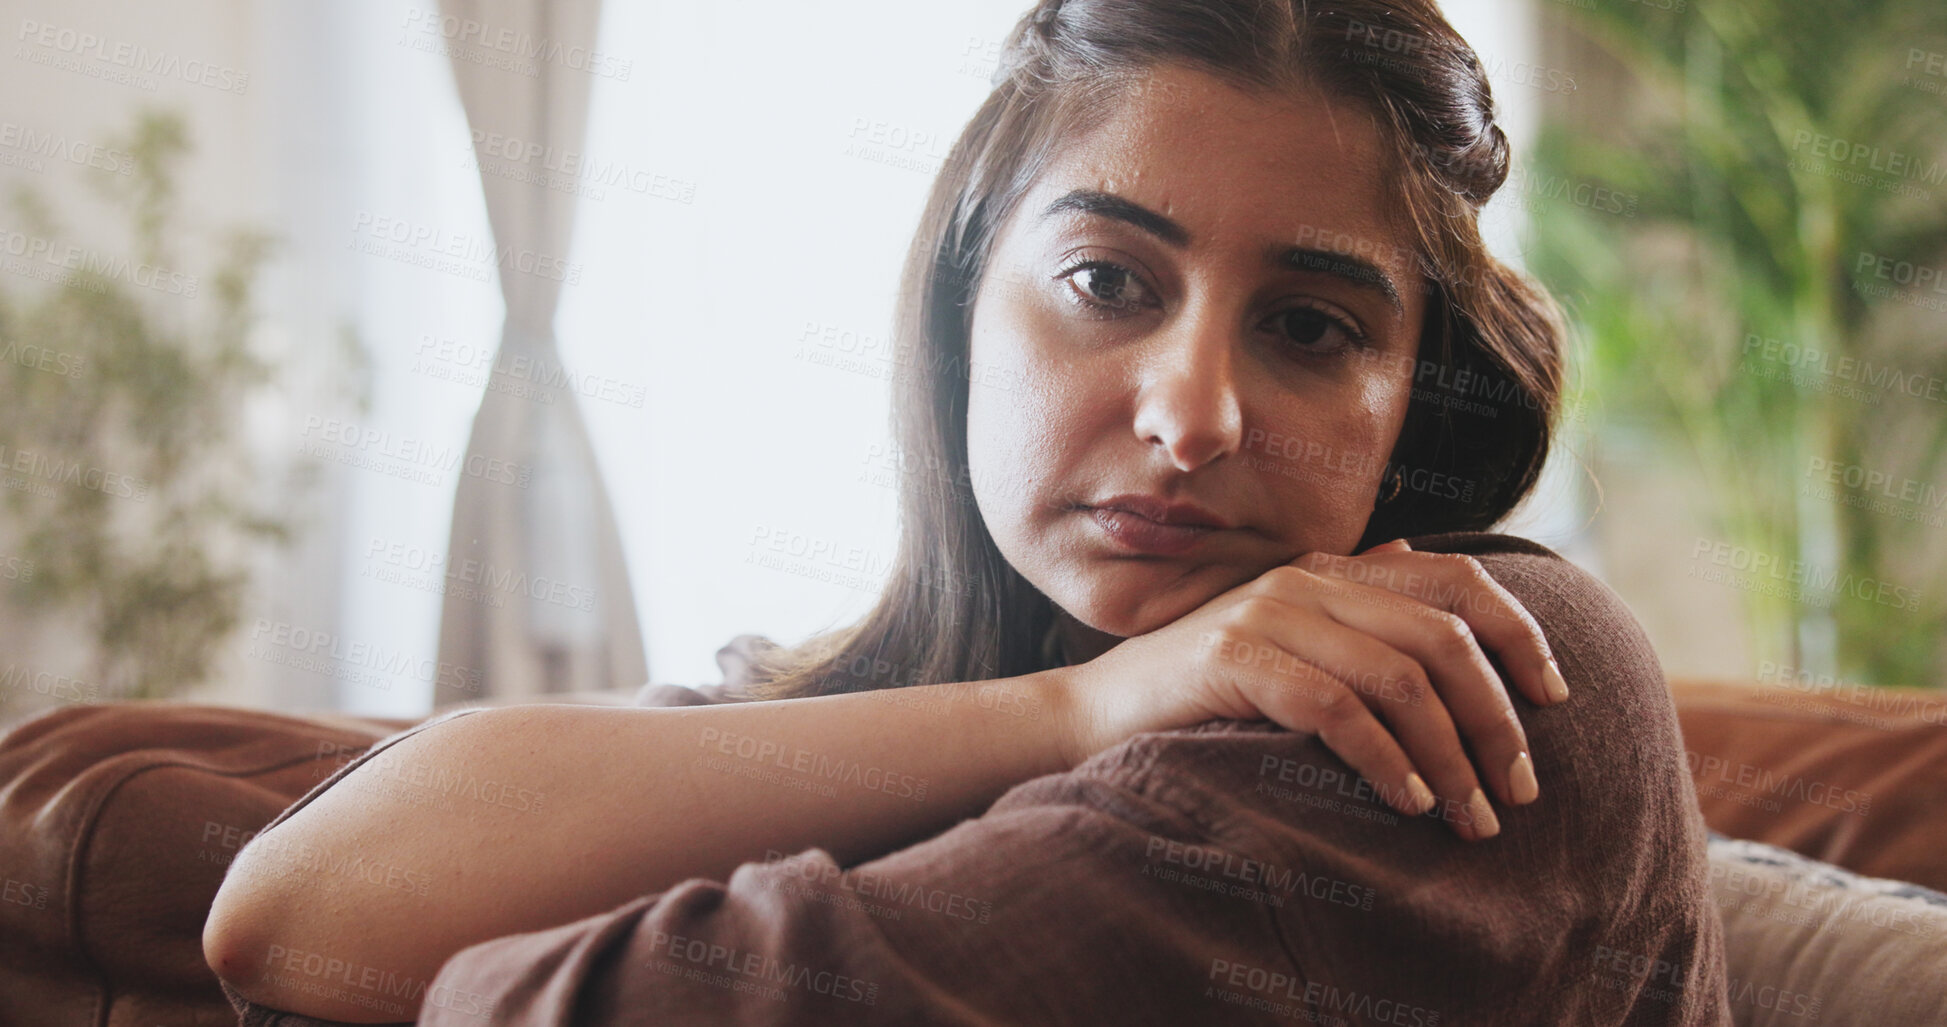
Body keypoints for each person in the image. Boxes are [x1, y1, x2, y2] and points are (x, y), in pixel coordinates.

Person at [205, 1, 1730, 1023]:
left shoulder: (1488, 680)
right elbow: (289, 902)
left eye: (1314, 328)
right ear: (959, 317)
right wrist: (1069, 710)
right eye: (1108, 284)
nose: (1191, 414)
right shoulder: (923, 687)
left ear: (1417, 400)